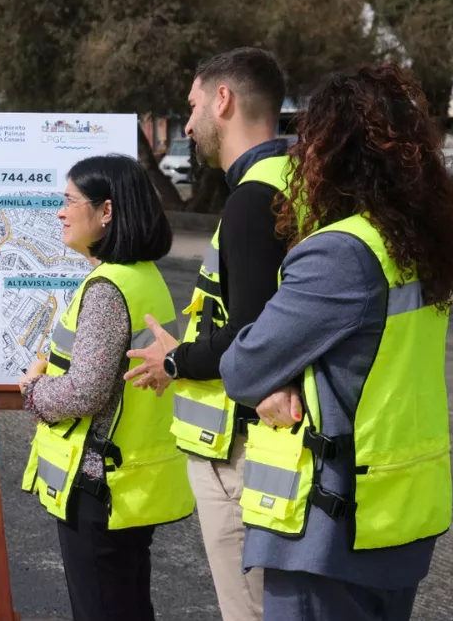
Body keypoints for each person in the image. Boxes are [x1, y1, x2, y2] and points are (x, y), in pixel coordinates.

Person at [219, 63, 453, 620]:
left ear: (330, 152)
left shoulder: (341, 252)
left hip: (331, 534)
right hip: (398, 513)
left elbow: (242, 366)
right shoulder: (416, 246)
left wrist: (276, 377)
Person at [124, 46, 292, 621]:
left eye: (192, 107)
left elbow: (255, 336)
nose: (189, 125)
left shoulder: (252, 200)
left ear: (224, 100)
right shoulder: (296, 180)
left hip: (241, 456)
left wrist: (175, 360)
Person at [19, 154, 194, 621]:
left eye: (69, 200)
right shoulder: (142, 277)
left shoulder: (107, 288)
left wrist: (32, 392)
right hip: (129, 481)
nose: (60, 211)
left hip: (99, 485)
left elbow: (86, 391)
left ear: (106, 211)